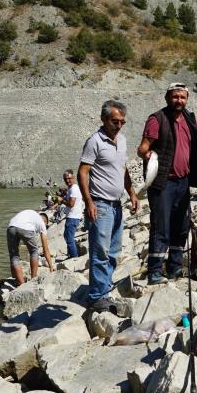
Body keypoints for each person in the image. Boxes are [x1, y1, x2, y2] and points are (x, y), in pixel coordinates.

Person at [137, 82, 197, 284]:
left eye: (182, 97)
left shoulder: (190, 120)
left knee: (181, 227)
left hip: (183, 182)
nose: (179, 101)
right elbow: (142, 148)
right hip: (163, 183)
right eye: (175, 97)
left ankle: (174, 268)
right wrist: (147, 154)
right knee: (161, 227)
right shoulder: (157, 119)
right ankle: (155, 271)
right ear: (167, 97)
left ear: (187, 99)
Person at [78, 100, 139, 310]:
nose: (119, 125)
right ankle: (96, 296)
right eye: (115, 121)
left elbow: (123, 169)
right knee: (100, 252)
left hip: (116, 204)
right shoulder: (94, 141)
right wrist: (89, 202)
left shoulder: (121, 140)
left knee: (113, 251)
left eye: (122, 121)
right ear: (104, 119)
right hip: (100, 205)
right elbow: (83, 172)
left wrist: (132, 193)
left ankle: (104, 288)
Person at [6, 209, 54, 286]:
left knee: (14, 256)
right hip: (26, 228)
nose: (46, 227)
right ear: (45, 222)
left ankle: (20, 282)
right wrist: (51, 266)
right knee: (34, 252)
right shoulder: (42, 223)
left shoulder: (31, 214)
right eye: (46, 225)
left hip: (11, 227)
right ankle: (33, 279)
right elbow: (45, 249)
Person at [61, 169, 83, 258]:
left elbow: (71, 204)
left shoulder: (74, 188)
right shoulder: (71, 188)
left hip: (73, 217)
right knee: (67, 236)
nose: (67, 180)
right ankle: (71, 254)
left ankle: (74, 258)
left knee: (69, 238)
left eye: (69, 178)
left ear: (73, 178)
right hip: (71, 216)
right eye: (65, 179)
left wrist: (61, 200)